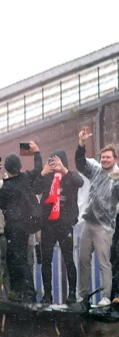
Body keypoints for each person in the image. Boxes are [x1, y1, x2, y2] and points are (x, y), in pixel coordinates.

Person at [0, 151, 40, 302]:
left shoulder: (7, 189)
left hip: (13, 227)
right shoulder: (25, 179)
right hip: (26, 226)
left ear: (6, 170)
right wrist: (36, 153)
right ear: (20, 167)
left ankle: (21, 293)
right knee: (22, 260)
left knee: (15, 261)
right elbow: (38, 168)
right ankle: (26, 292)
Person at [75, 128, 118, 306]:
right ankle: (82, 297)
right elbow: (80, 163)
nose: (105, 159)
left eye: (108, 157)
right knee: (83, 259)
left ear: (115, 159)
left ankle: (107, 296)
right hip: (88, 222)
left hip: (104, 226)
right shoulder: (95, 171)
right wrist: (82, 143)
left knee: (104, 262)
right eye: (103, 157)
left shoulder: (117, 178)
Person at [36, 149, 83, 307]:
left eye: (57, 161)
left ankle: (71, 293)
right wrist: (42, 172)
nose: (54, 165)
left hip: (65, 222)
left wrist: (64, 170)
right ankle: (47, 294)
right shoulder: (47, 177)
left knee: (69, 259)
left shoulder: (69, 176)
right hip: (48, 223)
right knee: (46, 259)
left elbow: (80, 182)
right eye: (52, 162)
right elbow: (34, 188)